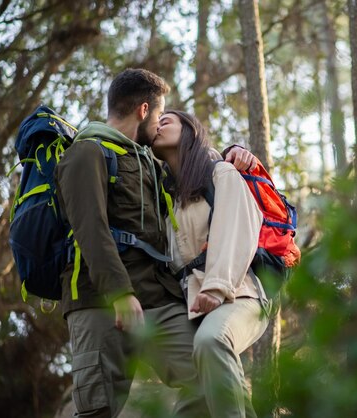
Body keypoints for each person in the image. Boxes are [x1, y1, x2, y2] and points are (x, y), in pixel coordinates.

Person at [55, 68, 256, 418]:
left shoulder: (148, 163)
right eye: (161, 114)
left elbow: (193, 167)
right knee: (97, 410)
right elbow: (91, 228)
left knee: (208, 374)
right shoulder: (86, 152)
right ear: (144, 111)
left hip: (157, 300)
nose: (162, 123)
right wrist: (119, 292)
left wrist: (234, 152)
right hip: (97, 300)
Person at [152, 109, 269, 418]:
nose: (158, 124)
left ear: (190, 129)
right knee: (194, 404)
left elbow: (236, 231)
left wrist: (216, 288)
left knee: (210, 341)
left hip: (240, 295)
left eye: (167, 120)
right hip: (198, 309)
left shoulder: (220, 173)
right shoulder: (167, 198)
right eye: (155, 122)